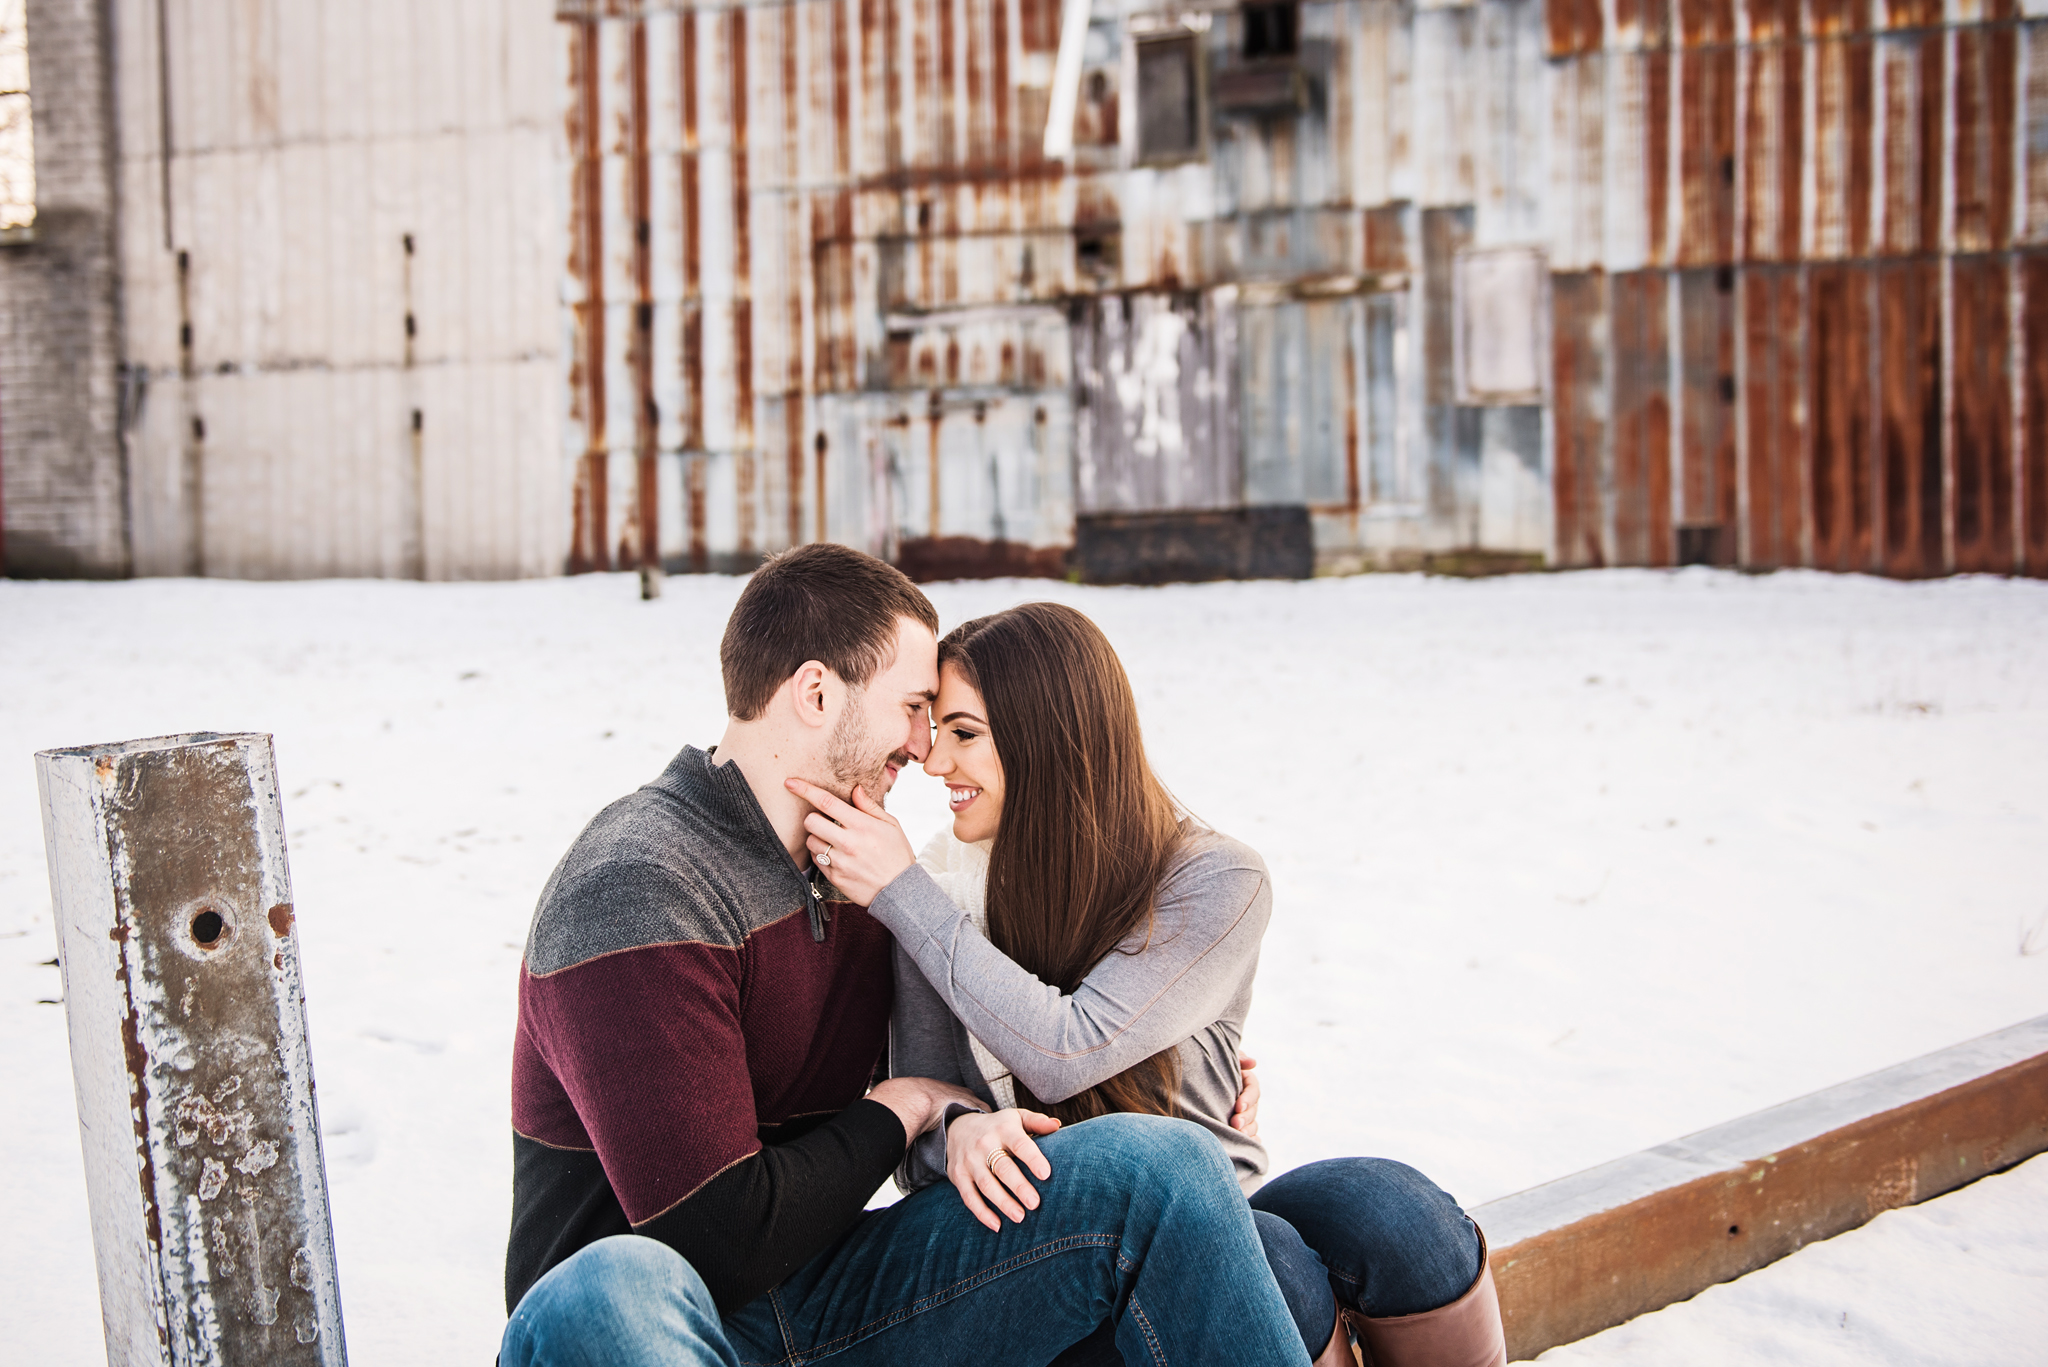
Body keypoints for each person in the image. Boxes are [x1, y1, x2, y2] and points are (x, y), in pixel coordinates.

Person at [501, 546, 1316, 1367]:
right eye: (915, 705)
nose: (925, 747)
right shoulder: (639, 885)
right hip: (654, 1323)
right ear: (817, 693)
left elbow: (995, 1052)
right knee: (616, 1277)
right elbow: (716, 1240)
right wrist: (903, 1108)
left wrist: (964, 1114)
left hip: (830, 1293)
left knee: (1160, 1169)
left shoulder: (864, 877)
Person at [788, 602, 1508, 1367]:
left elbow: (1072, 1046)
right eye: (935, 733)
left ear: (1049, 738)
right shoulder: (933, 896)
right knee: (1278, 1262)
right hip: (1073, 1253)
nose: (934, 764)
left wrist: (906, 894)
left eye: (963, 734)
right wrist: (956, 1128)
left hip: (1220, 1197)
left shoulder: (1214, 877)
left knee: (1400, 1216)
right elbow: (922, 1111)